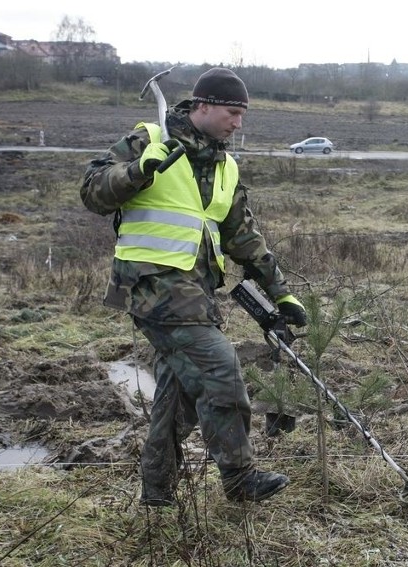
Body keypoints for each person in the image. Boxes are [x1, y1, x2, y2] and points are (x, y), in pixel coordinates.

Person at [81, 67, 307, 506]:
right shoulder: (150, 139)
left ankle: (157, 495)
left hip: (198, 293)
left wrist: (281, 292)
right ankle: (240, 479)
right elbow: (92, 191)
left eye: (243, 115)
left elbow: (243, 236)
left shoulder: (224, 165)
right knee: (220, 369)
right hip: (153, 289)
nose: (238, 123)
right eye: (231, 112)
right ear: (201, 105)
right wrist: (138, 170)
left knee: (176, 395)